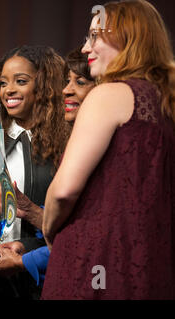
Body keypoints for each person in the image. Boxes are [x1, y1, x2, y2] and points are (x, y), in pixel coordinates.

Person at [42, 0, 175, 299]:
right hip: (150, 267)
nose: (86, 49)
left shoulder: (109, 94)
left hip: (92, 261)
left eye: (94, 37)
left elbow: (64, 191)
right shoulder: (166, 103)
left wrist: (49, 229)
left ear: (127, 37)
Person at [0, 45, 70, 299]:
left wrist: (20, 254)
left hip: (36, 280)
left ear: (45, 86)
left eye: (21, 81)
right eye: (3, 82)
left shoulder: (66, 146)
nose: (9, 90)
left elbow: (67, 226)